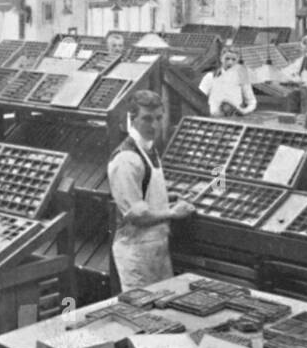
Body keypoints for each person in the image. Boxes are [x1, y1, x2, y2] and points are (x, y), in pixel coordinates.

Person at [108, 90, 195, 291]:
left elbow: (144, 191)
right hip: (136, 252)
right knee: (143, 314)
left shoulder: (148, 149)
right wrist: (173, 212)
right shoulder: (126, 159)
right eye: (147, 119)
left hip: (157, 247)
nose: (154, 125)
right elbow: (137, 215)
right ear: (132, 119)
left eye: (158, 118)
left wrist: (167, 197)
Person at [198, 44, 257, 117]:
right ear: (221, 58)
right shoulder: (210, 77)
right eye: (227, 59)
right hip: (214, 118)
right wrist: (210, 112)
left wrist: (244, 111)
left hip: (235, 119)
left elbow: (252, 101)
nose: (230, 63)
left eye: (233, 59)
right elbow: (199, 99)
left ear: (237, 61)